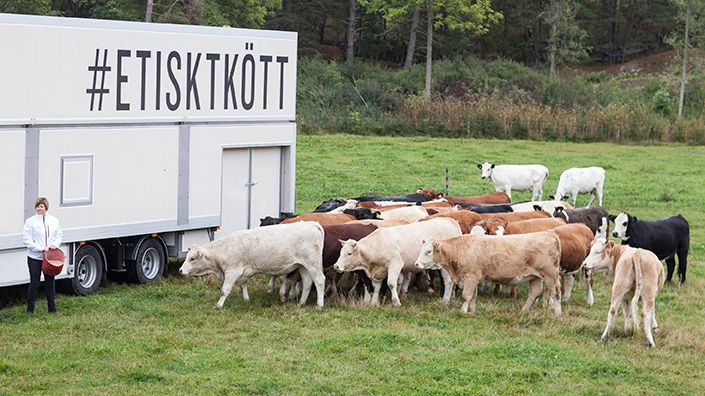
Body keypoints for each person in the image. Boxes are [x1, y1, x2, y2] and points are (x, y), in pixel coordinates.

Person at [22, 197, 63, 314]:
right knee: (34, 283)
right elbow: (26, 239)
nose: (40, 209)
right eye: (38, 206)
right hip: (34, 257)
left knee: (50, 282)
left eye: (42, 206)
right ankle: (30, 310)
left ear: (46, 207)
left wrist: (54, 245)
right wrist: (40, 248)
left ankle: (52, 309)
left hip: (49, 258)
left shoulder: (54, 220)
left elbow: (59, 235)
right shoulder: (30, 221)